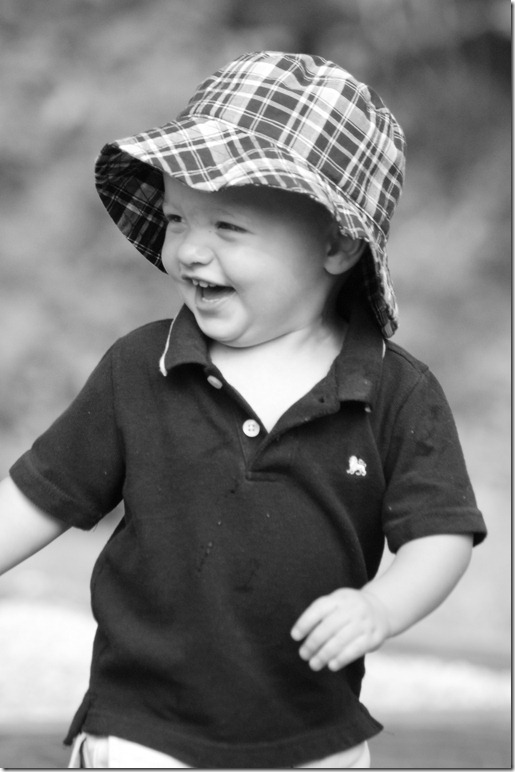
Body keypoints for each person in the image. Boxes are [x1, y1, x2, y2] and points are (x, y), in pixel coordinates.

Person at [0, 51, 486, 769]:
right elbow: (41, 495)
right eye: (176, 218)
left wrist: (381, 607)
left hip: (313, 737)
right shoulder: (142, 367)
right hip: (144, 730)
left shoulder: (393, 391)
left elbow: (439, 534)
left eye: (227, 226)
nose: (189, 250)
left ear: (336, 243)